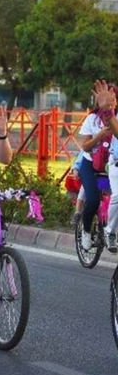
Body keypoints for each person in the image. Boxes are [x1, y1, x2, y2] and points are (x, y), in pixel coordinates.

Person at [79, 82, 118, 252]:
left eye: (113, 99)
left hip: (110, 167)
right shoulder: (92, 119)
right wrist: (100, 136)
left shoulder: (115, 118)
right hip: (90, 166)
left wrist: (109, 113)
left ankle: (109, 230)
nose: (110, 102)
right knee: (93, 200)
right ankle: (86, 230)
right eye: (106, 99)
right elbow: (85, 146)